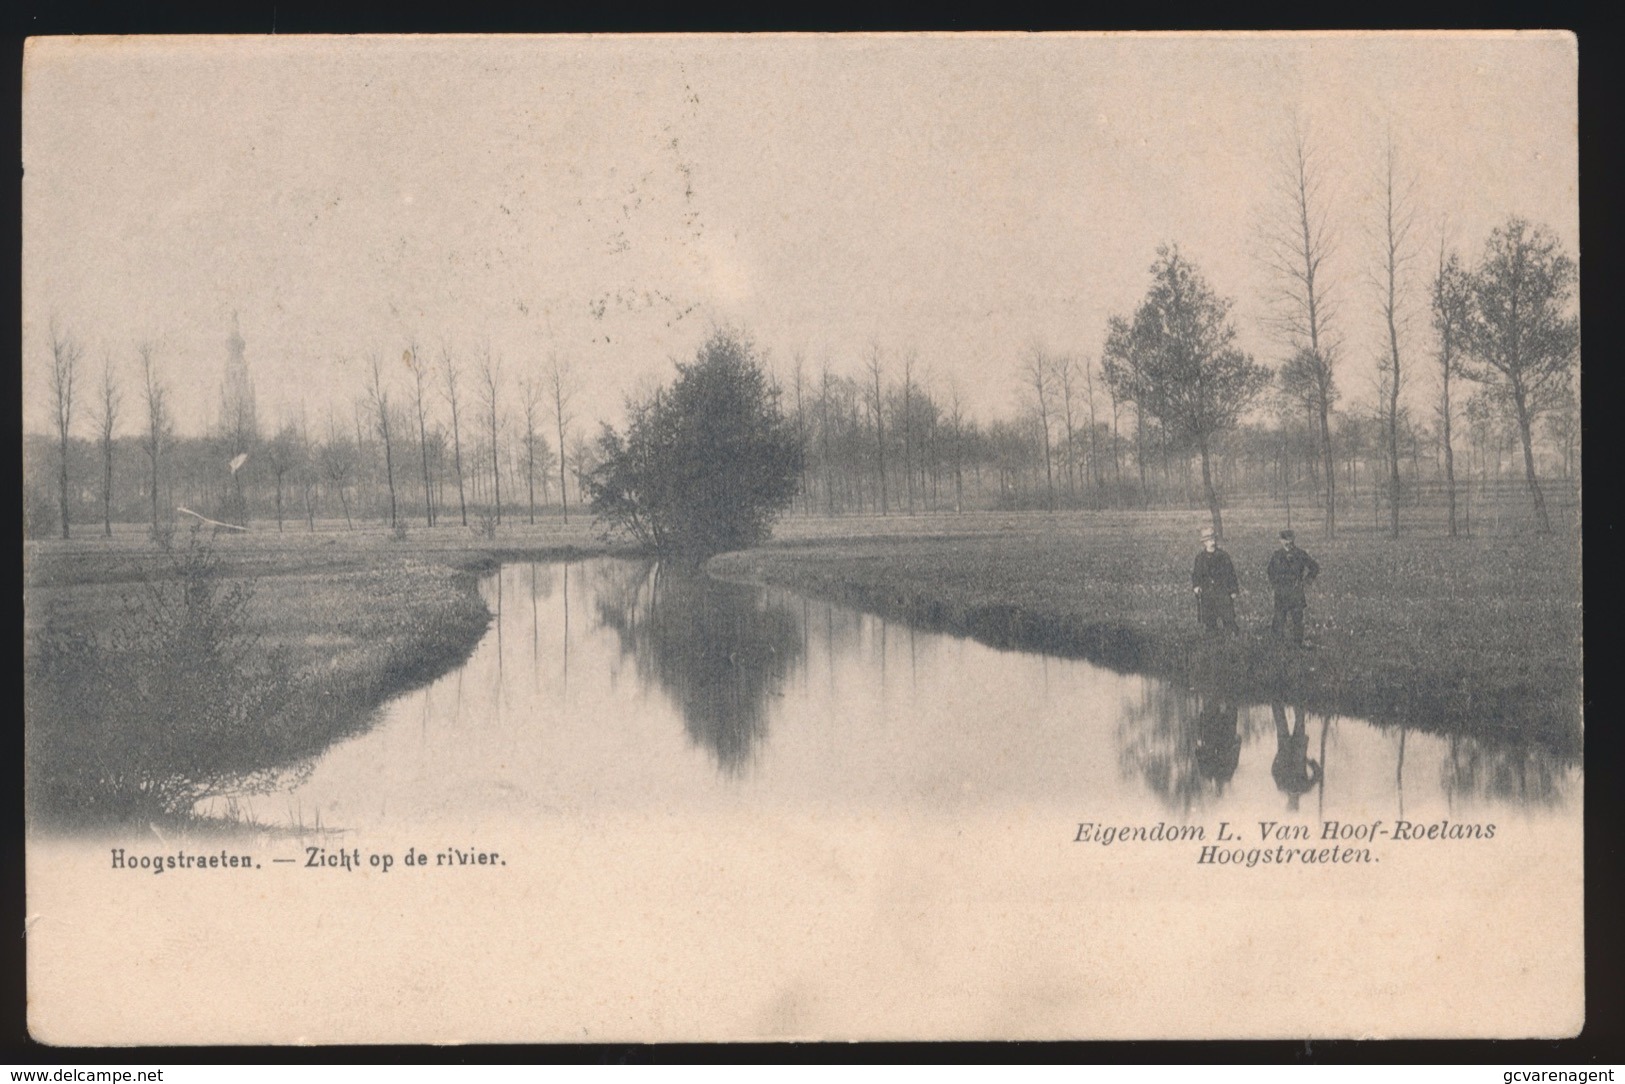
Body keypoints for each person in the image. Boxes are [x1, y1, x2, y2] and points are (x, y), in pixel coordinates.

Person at [1266, 529, 1319, 647]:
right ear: (1280, 541)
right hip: (1281, 592)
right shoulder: (1276, 555)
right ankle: (1276, 644)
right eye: (1285, 540)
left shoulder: (1300, 554)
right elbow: (1270, 571)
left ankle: (1297, 643)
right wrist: (1276, 584)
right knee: (1279, 618)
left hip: (1296, 591)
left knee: (1297, 619)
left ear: (1294, 540)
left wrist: (1306, 581)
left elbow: (1314, 567)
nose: (1288, 543)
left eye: (1290, 540)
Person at [1190, 526, 1239, 634]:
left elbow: (1231, 574)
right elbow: (1196, 574)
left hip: (1222, 591)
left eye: (1213, 539)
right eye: (1208, 540)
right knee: (1209, 618)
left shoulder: (1223, 556)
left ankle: (1232, 634)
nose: (1211, 542)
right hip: (1207, 592)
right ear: (1204, 543)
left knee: (1228, 617)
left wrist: (1233, 590)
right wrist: (1196, 586)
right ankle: (1212, 636)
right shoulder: (1200, 558)